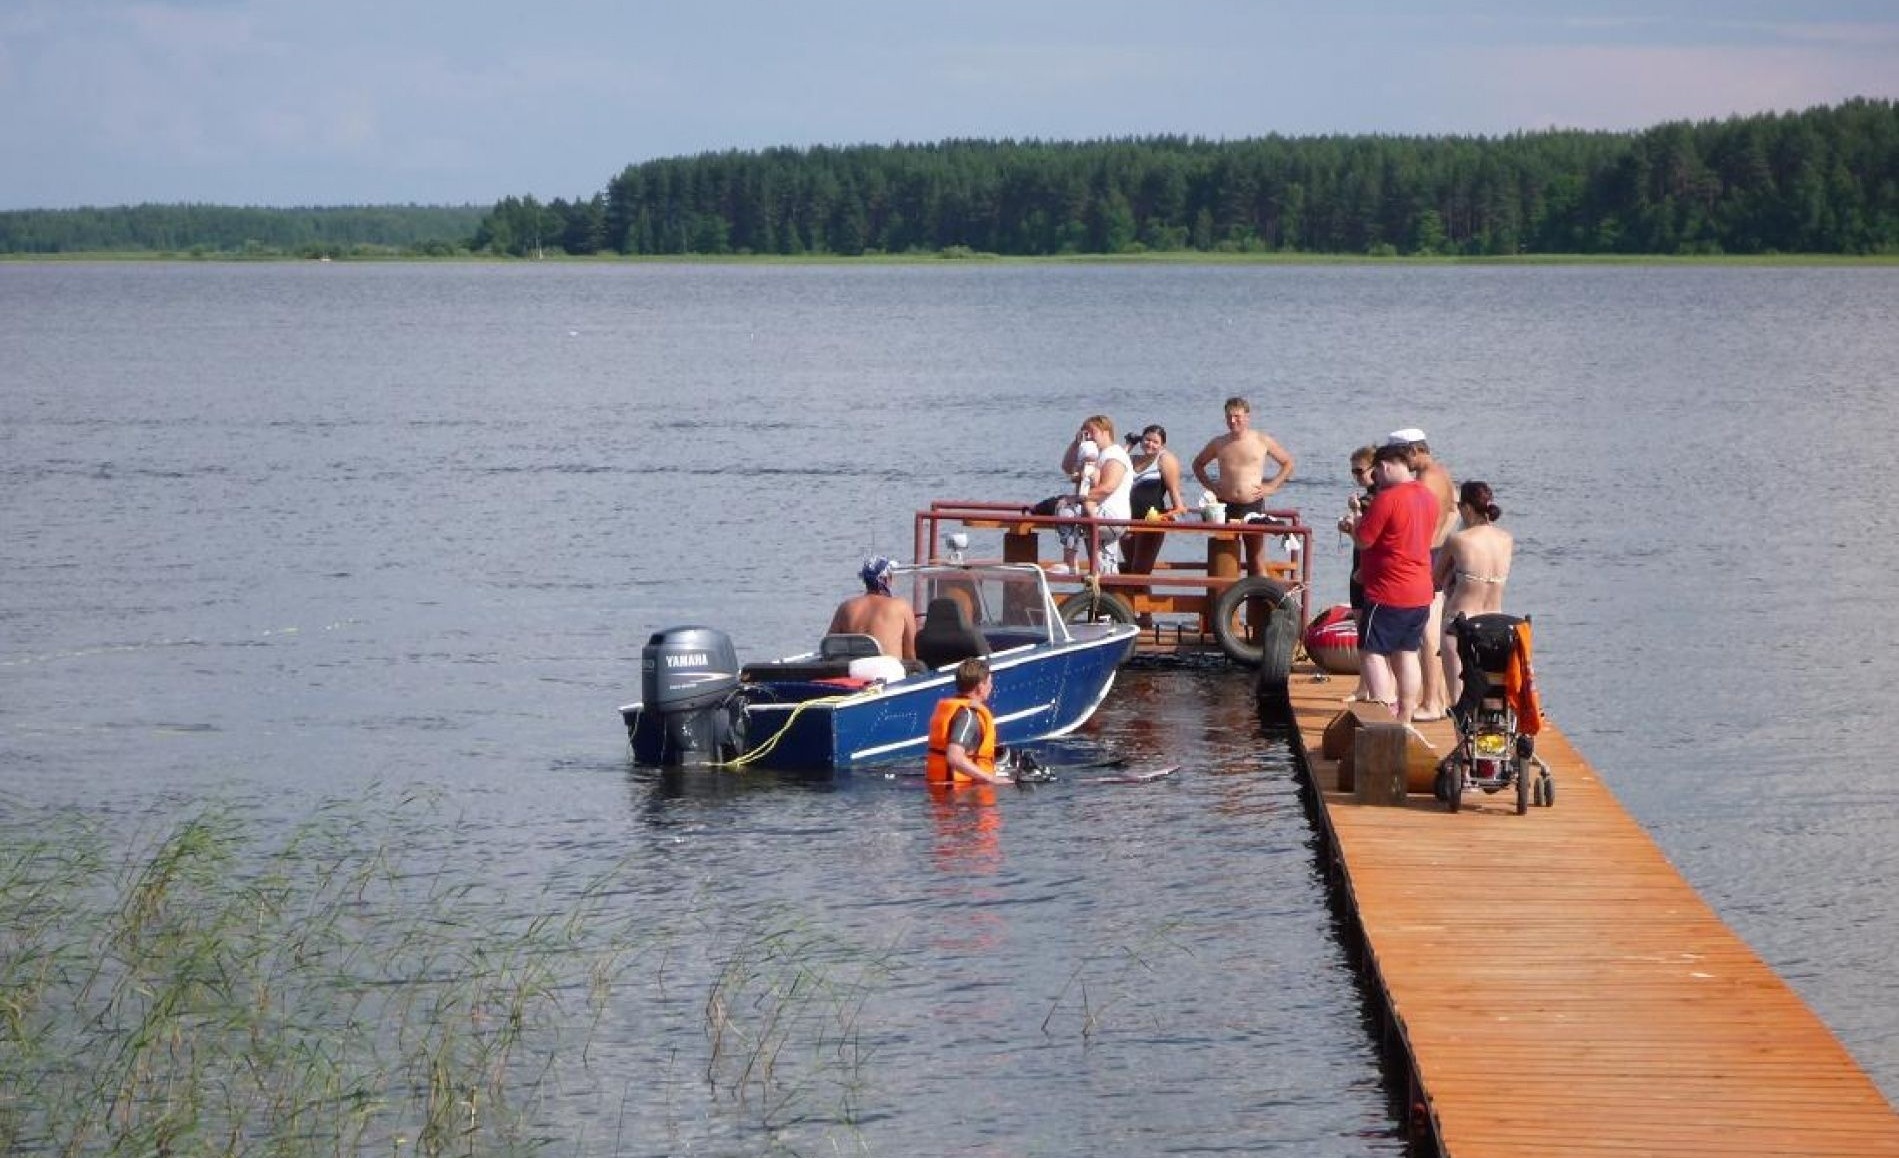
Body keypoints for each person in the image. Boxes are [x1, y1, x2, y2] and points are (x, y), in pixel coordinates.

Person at [1344, 442, 1438, 722]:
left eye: (1377, 474)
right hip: (1420, 590)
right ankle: (1405, 719)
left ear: (1385, 466)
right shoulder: (1428, 496)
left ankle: (1383, 716)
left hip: (1389, 591)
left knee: (1371, 651)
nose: (1377, 481)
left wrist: (1351, 526)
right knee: (1407, 653)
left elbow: (1364, 539)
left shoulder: (1388, 498)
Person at [1386, 428, 1457, 719]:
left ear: (1414, 451)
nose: (1401, 464)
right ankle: (1436, 697)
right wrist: (1441, 538)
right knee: (1432, 628)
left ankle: (1430, 702)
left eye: (1401, 457)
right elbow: (1452, 510)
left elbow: (1418, 521)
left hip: (1426, 556)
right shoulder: (1443, 472)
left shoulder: (1425, 481)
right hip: (1437, 552)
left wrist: (1423, 547)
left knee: (1426, 633)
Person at [1191, 396, 1295, 576]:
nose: (1233, 421)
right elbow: (1198, 464)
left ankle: (1261, 599)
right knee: (1225, 559)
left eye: (1237, 416)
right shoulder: (1219, 442)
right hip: (1225, 505)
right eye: (1229, 417)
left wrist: (1271, 486)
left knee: (1255, 559)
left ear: (1247, 417)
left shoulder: (1262, 440)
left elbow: (1287, 463)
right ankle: (1224, 601)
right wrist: (1211, 487)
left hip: (1251, 505)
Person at [1432, 480, 1514, 701]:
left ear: (1467, 508)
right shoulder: (1507, 539)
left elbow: (1435, 580)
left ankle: (1461, 736)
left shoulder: (1457, 539)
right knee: (1492, 696)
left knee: (1460, 700)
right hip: (1495, 624)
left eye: (1459, 507)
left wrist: (1452, 577)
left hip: (1460, 623)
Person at [925, 658, 1012, 785]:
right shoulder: (968, 716)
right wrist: (991, 778)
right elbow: (954, 757)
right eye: (989, 682)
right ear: (980, 687)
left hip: (942, 790)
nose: (991, 686)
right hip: (959, 795)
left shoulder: (955, 710)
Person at [1335, 445, 1378, 699]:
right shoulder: (1370, 498)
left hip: (1367, 568)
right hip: (1360, 565)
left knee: (1368, 630)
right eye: (1353, 472)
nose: (1356, 477)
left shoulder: (1375, 499)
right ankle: (1365, 686)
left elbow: (1366, 538)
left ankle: (1371, 687)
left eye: (1360, 471)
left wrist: (1354, 517)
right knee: (1363, 626)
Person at [1122, 424, 1186, 577]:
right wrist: (1129, 445)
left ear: (1162, 445)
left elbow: (1178, 505)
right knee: (1131, 570)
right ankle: (1134, 601)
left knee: (1140, 571)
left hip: (1151, 523)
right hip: (1127, 522)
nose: (1150, 444)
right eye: (1146, 440)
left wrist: (1164, 517)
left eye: (1155, 442)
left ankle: (1141, 599)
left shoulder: (1164, 460)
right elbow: (1110, 463)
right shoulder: (1130, 459)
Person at [826, 556, 917, 662]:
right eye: (891, 576)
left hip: (854, 672)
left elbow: (829, 647)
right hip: (889, 673)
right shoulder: (901, 606)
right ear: (887, 579)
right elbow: (910, 653)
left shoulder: (845, 607)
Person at [1074, 415, 1133, 573]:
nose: (1089, 436)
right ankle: (1104, 593)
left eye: (1091, 431)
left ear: (1105, 431)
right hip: (1100, 515)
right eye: (1085, 432)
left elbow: (1108, 487)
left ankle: (1069, 561)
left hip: (1111, 516)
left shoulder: (1115, 454)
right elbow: (1067, 468)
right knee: (1103, 567)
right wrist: (1076, 443)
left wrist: (1078, 498)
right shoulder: (1094, 454)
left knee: (1067, 512)